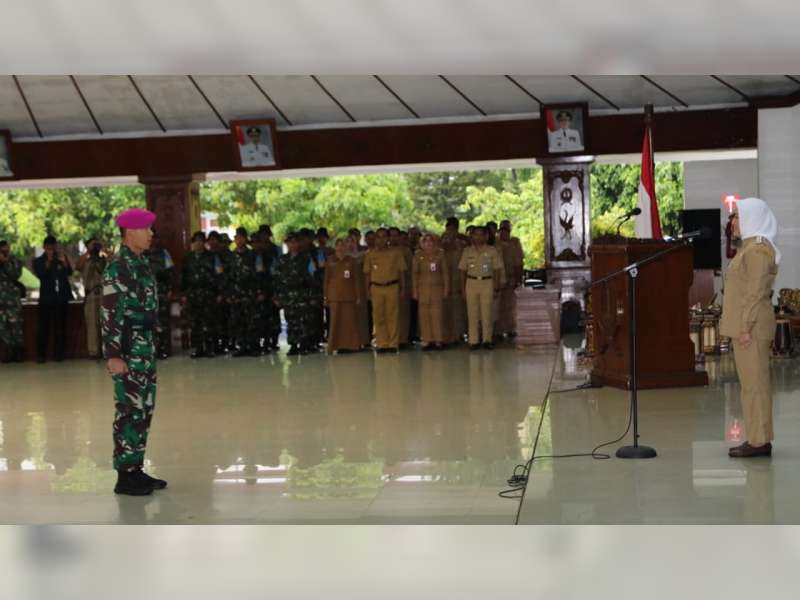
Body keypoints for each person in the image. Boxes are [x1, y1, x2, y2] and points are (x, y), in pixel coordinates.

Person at [101, 208, 167, 495]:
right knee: (128, 410)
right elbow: (110, 313)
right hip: (127, 350)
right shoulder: (118, 267)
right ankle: (124, 476)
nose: (151, 234)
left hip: (144, 347)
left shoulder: (140, 263)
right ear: (130, 232)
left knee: (143, 410)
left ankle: (135, 469)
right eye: (146, 229)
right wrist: (113, 354)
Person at [720, 198, 780, 458]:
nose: (733, 223)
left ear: (753, 218)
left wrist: (745, 327)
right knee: (751, 385)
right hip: (747, 327)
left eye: (738, 218)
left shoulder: (756, 251)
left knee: (754, 385)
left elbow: (755, 294)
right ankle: (759, 437)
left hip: (751, 329)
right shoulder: (749, 248)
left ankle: (758, 441)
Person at [458, 226, 505, 350]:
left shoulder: (492, 250)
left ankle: (487, 340)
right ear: (471, 236)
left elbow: (497, 270)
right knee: (472, 313)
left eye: (481, 234)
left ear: (486, 236)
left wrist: (496, 287)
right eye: (475, 234)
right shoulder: (467, 251)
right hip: (471, 282)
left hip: (487, 282)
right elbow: (462, 270)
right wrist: (462, 289)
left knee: (487, 312)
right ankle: (473, 340)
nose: (478, 237)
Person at [272, 233, 319, 355]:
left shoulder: (306, 258)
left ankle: (304, 344)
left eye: (295, 242)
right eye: (290, 242)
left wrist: (313, 296)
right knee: (291, 320)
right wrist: (276, 296)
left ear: (298, 243)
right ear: (286, 244)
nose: (292, 245)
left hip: (303, 295)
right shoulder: (281, 260)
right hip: (287, 296)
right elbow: (276, 279)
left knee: (304, 320)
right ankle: (293, 344)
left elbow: (313, 278)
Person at [363, 228, 406, 353]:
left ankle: (393, 343)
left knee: (393, 316)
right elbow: (367, 274)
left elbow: (401, 272)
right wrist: (367, 290)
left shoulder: (396, 252)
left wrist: (403, 288)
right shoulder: (370, 254)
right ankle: (382, 343)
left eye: (383, 237)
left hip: (392, 286)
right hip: (376, 287)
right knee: (378, 317)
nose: (380, 240)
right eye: (378, 237)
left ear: (388, 239)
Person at [33, 235, 74, 363]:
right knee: (43, 328)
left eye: (53, 247)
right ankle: (41, 355)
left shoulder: (60, 259)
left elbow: (69, 273)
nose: (51, 250)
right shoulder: (38, 261)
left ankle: (59, 354)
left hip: (60, 299)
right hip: (46, 299)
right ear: (44, 248)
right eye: (48, 248)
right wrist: (49, 261)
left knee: (60, 328)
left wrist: (65, 261)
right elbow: (41, 274)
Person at [324, 238, 365, 354]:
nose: (340, 248)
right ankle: (334, 345)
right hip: (334, 296)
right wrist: (325, 296)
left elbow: (356, 280)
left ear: (346, 247)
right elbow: (326, 280)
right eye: (338, 245)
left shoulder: (352, 261)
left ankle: (351, 345)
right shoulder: (330, 260)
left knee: (349, 322)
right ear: (335, 247)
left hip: (349, 296)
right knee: (335, 322)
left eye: (343, 245)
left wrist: (358, 296)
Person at [181, 232, 217, 358]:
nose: (198, 243)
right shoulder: (188, 258)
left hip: (208, 294)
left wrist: (218, 293)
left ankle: (210, 348)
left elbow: (219, 275)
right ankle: (198, 348)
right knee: (195, 323)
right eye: (196, 241)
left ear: (204, 242)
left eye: (201, 240)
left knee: (209, 322)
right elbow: (183, 277)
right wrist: (184, 293)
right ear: (193, 243)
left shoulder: (212, 257)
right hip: (193, 295)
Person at [412, 234, 450, 350]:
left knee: (437, 314)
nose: (428, 244)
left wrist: (446, 288)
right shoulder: (418, 255)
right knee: (424, 315)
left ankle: (438, 340)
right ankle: (427, 340)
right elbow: (414, 274)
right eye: (425, 241)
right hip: (422, 289)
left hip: (437, 288)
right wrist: (414, 290)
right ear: (422, 243)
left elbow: (445, 273)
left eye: (430, 241)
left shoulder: (440, 254)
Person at [77, 238, 108, 359]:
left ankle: (107, 351)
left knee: (106, 324)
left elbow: (115, 264)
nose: (95, 246)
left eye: (96, 244)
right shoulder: (85, 260)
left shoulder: (104, 260)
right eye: (93, 244)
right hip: (90, 294)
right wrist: (88, 251)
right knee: (91, 325)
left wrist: (104, 249)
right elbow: (78, 266)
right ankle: (93, 352)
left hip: (104, 294)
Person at [146, 232, 175, 359]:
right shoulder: (141, 254)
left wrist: (170, 290)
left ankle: (163, 349)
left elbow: (171, 272)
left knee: (163, 321)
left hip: (162, 291)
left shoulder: (164, 254)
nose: (153, 241)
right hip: (146, 293)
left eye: (155, 239)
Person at [0, 240, 24, 362]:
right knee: (2, 328)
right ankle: (9, 351)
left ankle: (18, 352)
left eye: (6, 248)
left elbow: (15, 275)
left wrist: (5, 262)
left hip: (12, 299)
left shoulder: (15, 260)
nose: (5, 250)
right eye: (2, 248)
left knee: (16, 327)